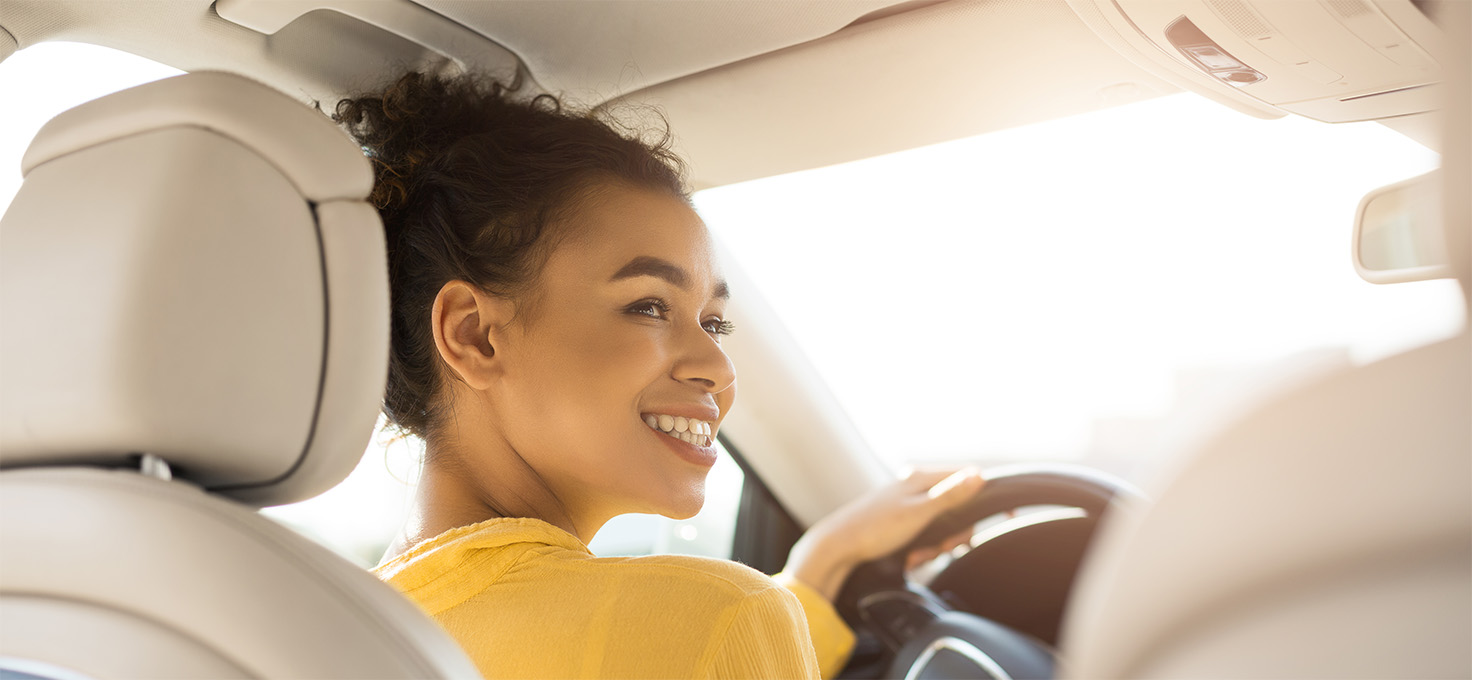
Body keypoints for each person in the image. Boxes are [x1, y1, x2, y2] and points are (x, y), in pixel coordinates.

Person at [335, 71, 984, 679]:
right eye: (649, 306)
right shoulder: (718, 617)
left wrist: (821, 569)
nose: (717, 367)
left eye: (714, 322)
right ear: (473, 334)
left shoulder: (328, 635)